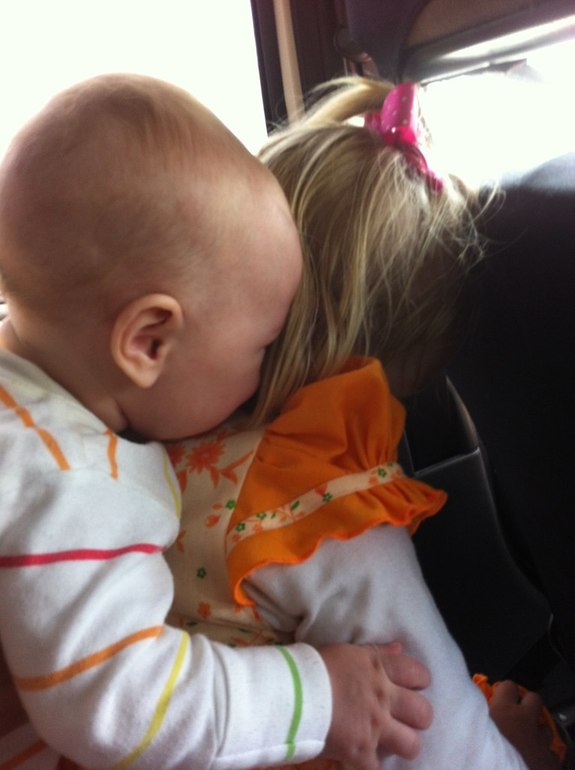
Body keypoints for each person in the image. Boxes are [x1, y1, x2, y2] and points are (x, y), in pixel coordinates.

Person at [0, 74, 434, 770]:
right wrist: (320, 698)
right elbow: (123, 704)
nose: (260, 377)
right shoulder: (71, 484)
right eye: (260, 347)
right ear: (148, 342)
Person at [165, 78, 565, 770]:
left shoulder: (167, 442)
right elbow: (435, 739)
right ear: (390, 369)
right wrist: (515, 755)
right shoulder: (326, 515)